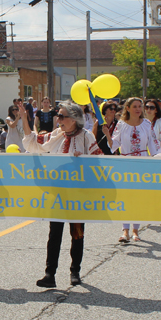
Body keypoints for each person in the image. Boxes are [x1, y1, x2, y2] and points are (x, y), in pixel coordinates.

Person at [20, 101, 103, 288]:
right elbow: (34, 143)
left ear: (74, 119)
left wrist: (84, 161)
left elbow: (98, 161)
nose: (58, 119)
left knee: (77, 233)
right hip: (57, 192)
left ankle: (75, 271)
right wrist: (25, 119)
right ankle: (50, 274)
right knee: (54, 233)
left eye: (62, 116)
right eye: (58, 115)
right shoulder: (57, 135)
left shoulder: (86, 136)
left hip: (77, 193)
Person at [103, 97, 161, 242]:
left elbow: (154, 147)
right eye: (135, 106)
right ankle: (125, 231)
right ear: (127, 108)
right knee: (125, 197)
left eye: (140, 106)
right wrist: (107, 134)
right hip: (126, 164)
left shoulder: (147, 124)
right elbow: (114, 145)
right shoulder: (121, 125)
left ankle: (135, 230)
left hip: (142, 164)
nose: (138, 109)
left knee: (138, 197)